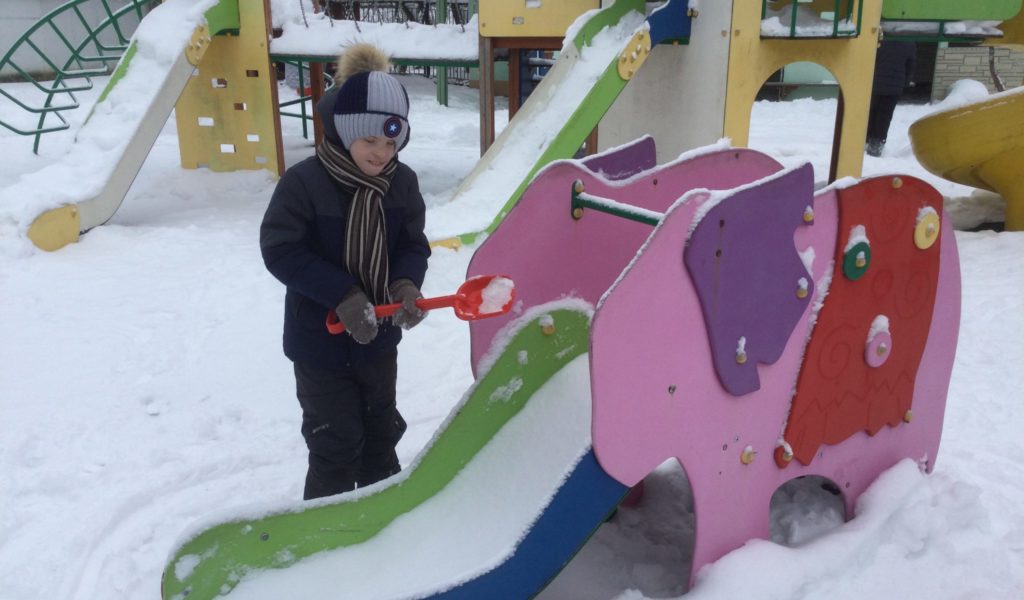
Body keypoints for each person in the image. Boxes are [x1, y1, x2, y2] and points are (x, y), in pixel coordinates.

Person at [260, 44, 431, 500]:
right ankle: (326, 542)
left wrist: (406, 283)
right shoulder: (305, 183)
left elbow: (412, 245)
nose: (381, 154)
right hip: (320, 344)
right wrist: (342, 293)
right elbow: (280, 249)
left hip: (380, 340)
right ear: (345, 132)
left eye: (391, 142)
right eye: (370, 140)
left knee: (381, 438)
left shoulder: (403, 183)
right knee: (335, 446)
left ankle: (382, 530)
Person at [866, 39, 916, 157]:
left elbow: (872, 61)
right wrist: (905, 82)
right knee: (885, 116)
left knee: (872, 112)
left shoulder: (879, 41)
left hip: (876, 84)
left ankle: (867, 139)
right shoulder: (909, 44)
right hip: (894, 88)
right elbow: (911, 66)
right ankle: (877, 144)